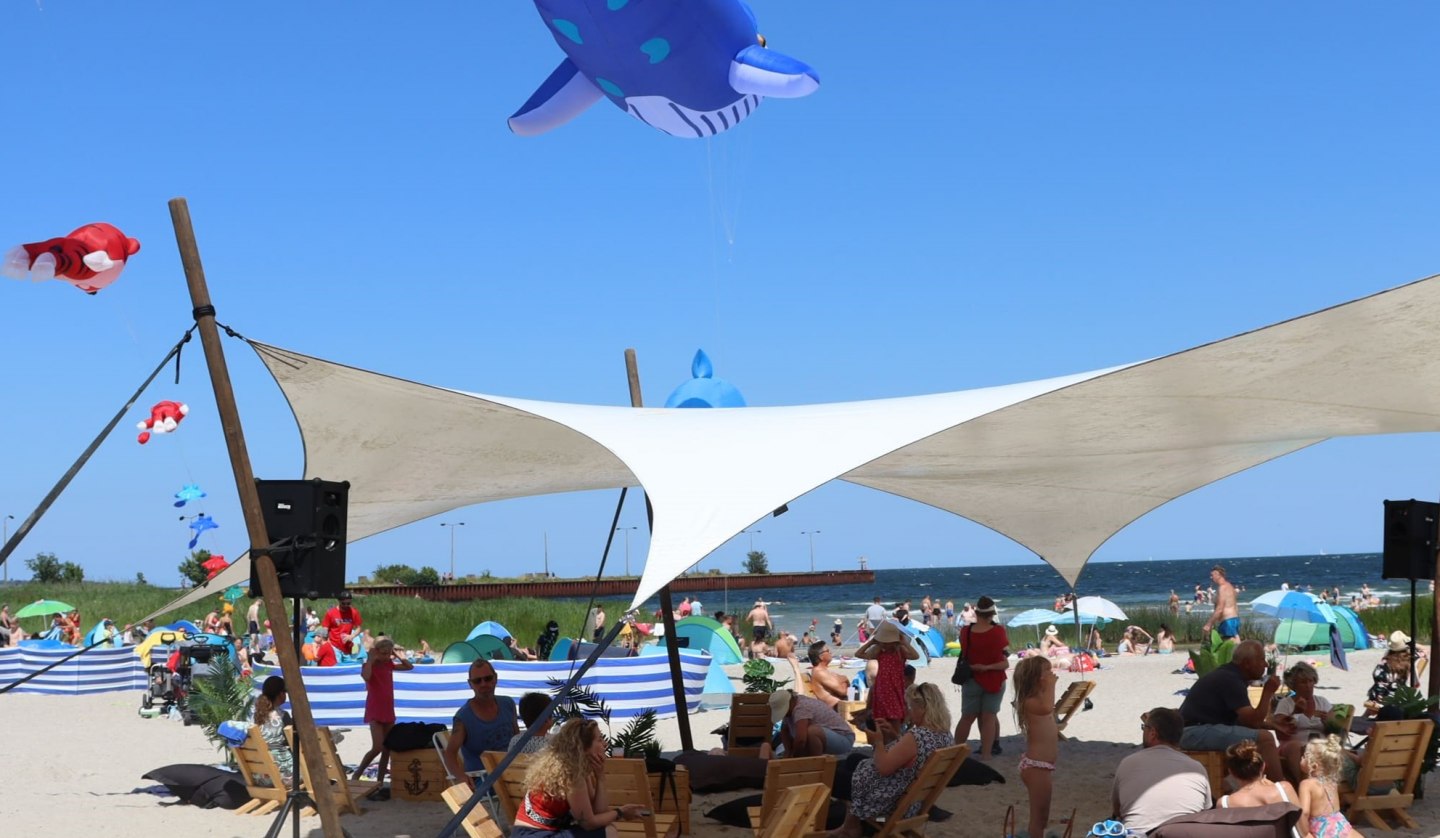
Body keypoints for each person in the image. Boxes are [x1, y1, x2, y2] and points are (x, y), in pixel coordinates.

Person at [827, 683, 953, 838]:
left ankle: (851, 826)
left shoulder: (917, 736)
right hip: (912, 801)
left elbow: (883, 768)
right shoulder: (945, 735)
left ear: (923, 709)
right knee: (854, 760)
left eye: (910, 708)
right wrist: (895, 737)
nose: (907, 712)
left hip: (888, 804)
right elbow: (913, 756)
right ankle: (850, 824)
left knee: (831, 777)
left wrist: (878, 741)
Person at [510, 717, 646, 838]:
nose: (605, 744)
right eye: (599, 740)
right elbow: (589, 823)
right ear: (583, 748)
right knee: (609, 832)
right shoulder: (571, 773)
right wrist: (621, 812)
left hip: (538, 831)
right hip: (534, 834)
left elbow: (598, 812)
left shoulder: (576, 767)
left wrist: (600, 777)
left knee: (607, 830)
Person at [1179, 639, 1293, 781]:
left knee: (1262, 736)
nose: (1266, 664)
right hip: (1195, 732)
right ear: (1246, 663)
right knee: (1265, 739)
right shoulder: (1231, 680)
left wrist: (1272, 725)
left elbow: (1243, 719)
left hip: (1194, 729)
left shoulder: (1229, 674)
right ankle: (1281, 790)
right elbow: (1253, 723)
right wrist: (1268, 692)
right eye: (1261, 660)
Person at [1111, 708, 1211, 835]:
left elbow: (1117, 811)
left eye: (1144, 727)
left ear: (1152, 733)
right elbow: (1205, 812)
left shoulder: (1128, 763)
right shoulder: (1197, 768)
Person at [352, 637, 414, 793]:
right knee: (377, 747)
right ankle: (357, 773)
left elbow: (409, 667)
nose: (387, 656)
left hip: (388, 708)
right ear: (377, 652)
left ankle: (379, 781)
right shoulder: (369, 665)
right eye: (384, 653)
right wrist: (371, 659)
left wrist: (399, 655)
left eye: (389, 653)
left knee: (387, 748)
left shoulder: (389, 664)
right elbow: (366, 677)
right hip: (375, 709)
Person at [443, 659, 519, 785]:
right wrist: (461, 777)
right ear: (470, 684)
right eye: (477, 681)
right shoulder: (463, 717)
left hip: (512, 772)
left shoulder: (508, 704)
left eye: (488, 678)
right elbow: (449, 754)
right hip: (484, 779)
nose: (483, 684)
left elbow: (517, 740)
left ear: (495, 678)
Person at [954, 596, 1009, 761]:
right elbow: (1004, 660)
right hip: (994, 677)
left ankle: (955, 753)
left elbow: (966, 653)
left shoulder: (966, 631)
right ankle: (986, 754)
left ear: (976, 612)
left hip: (971, 677)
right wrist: (987, 667)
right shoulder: (998, 631)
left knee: (966, 717)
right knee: (989, 717)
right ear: (992, 614)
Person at [1013, 656, 1059, 838]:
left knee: (1043, 816)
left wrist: (1046, 683)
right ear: (1035, 678)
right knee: (1038, 818)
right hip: (1036, 766)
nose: (1052, 674)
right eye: (1047, 672)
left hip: (1043, 766)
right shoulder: (1030, 702)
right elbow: (1048, 707)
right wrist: (1051, 684)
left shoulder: (1039, 698)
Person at [1218, 739, 1300, 835]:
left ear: (1231, 772)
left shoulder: (1224, 803)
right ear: (1263, 767)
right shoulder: (1284, 789)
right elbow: (1302, 830)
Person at [855, 621, 919, 744]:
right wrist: (871, 642)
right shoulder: (879, 652)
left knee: (895, 720)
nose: (884, 643)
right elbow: (858, 654)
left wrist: (904, 643)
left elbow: (915, 656)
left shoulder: (900, 651)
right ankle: (884, 745)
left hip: (895, 690)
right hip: (882, 689)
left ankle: (894, 744)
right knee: (881, 721)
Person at [1271, 661, 1333, 781]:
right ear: (1294, 685)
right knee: (1295, 746)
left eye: (1311, 681)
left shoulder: (1322, 702)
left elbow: (1336, 731)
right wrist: (1295, 713)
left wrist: (1328, 722)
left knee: (1325, 746)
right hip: (1292, 746)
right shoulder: (1286, 703)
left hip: (1318, 745)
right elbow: (1279, 732)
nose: (1309, 685)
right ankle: (1303, 784)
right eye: (1303, 682)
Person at [1298, 736, 1361, 838]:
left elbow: (1304, 813)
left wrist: (1305, 833)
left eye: (1304, 757)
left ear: (1314, 766)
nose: (1301, 758)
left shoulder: (1306, 784)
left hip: (1323, 828)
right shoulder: (1332, 782)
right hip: (1340, 823)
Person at [770, 688, 856, 757]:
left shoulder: (801, 707)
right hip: (832, 738)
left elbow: (801, 740)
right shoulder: (792, 706)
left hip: (843, 739)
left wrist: (794, 758)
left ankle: (815, 763)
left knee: (812, 731)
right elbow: (784, 730)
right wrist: (788, 753)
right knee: (807, 733)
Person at [250, 675, 294, 784]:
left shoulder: (256, 715)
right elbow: (294, 742)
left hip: (260, 773)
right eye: (285, 692)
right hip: (283, 773)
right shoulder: (283, 716)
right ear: (280, 694)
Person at [1367, 630, 1423, 714]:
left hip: (1383, 700)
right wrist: (1411, 644)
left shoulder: (1385, 663)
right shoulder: (1411, 660)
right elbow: (1424, 650)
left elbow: (1378, 682)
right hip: (1402, 698)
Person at [1201, 565, 1240, 641]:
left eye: (1212, 575)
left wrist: (1209, 624)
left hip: (1227, 621)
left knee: (1229, 645)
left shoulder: (1222, 588)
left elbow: (1220, 609)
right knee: (1234, 642)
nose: (1211, 577)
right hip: (1234, 619)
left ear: (1218, 575)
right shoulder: (1230, 586)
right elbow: (1235, 605)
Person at [808, 641, 850, 709]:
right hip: (836, 709)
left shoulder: (823, 670)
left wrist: (842, 680)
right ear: (821, 657)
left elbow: (841, 682)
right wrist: (845, 679)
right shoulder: (819, 672)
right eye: (827, 651)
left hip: (840, 706)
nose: (830, 652)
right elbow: (843, 691)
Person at [321, 591, 363, 655]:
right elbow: (325, 628)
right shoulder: (331, 613)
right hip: (334, 646)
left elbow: (359, 628)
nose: (346, 605)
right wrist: (326, 641)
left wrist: (352, 636)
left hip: (347, 646)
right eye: (343, 603)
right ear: (339, 601)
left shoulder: (354, 612)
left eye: (348, 603)